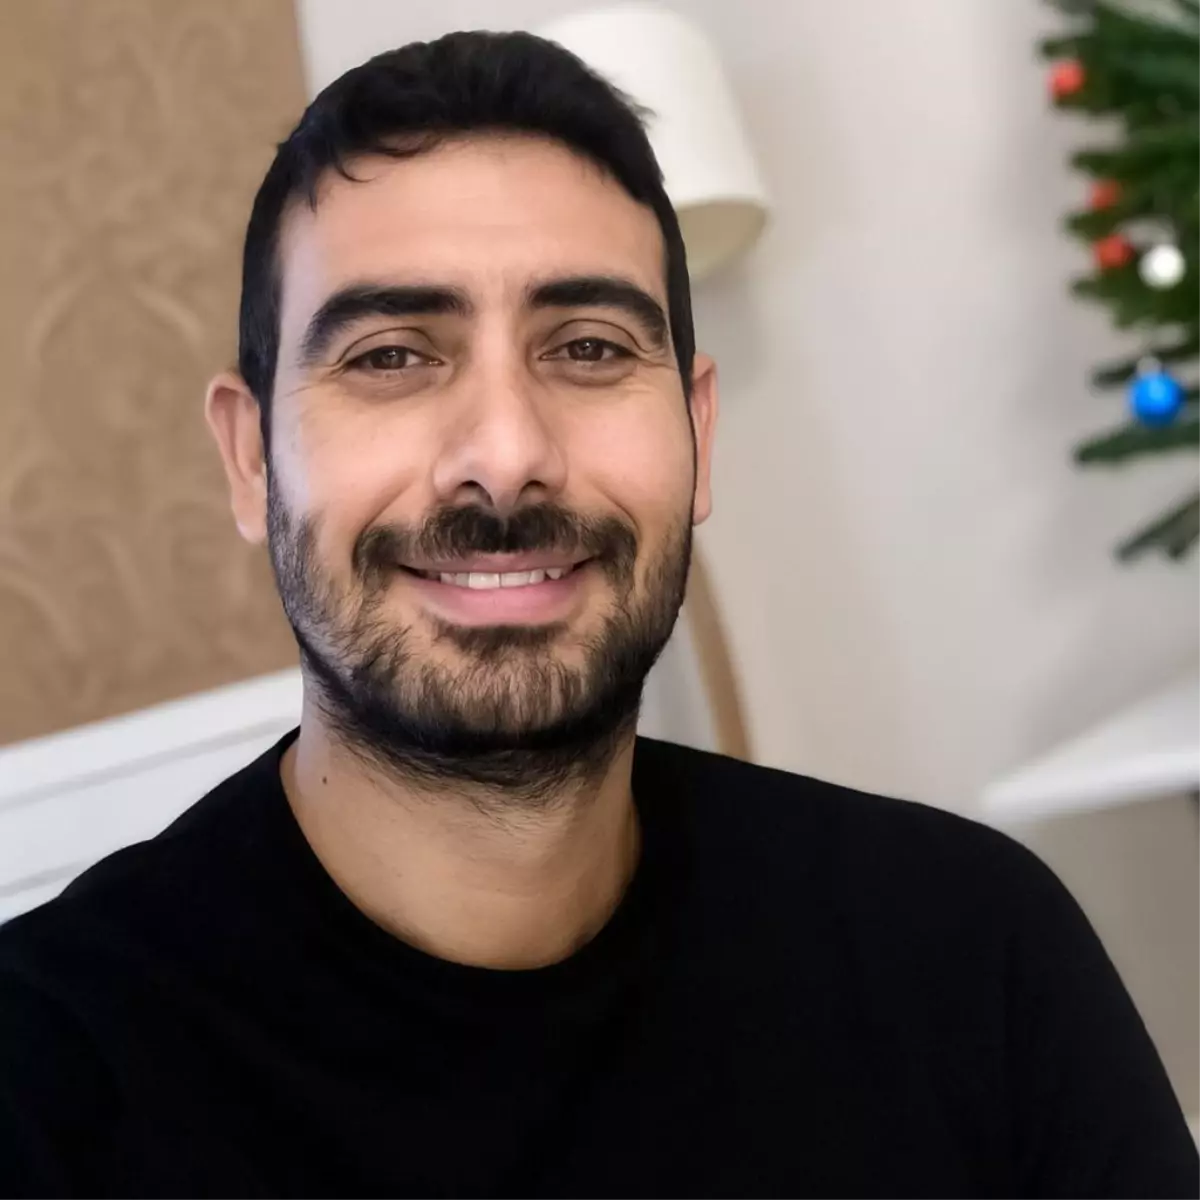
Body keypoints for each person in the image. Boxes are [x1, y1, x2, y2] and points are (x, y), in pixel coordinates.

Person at [1, 29, 1197, 1199]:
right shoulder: (47, 1086)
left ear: (698, 431)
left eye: (586, 346)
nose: (506, 455)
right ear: (251, 457)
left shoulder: (971, 951)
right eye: (390, 356)